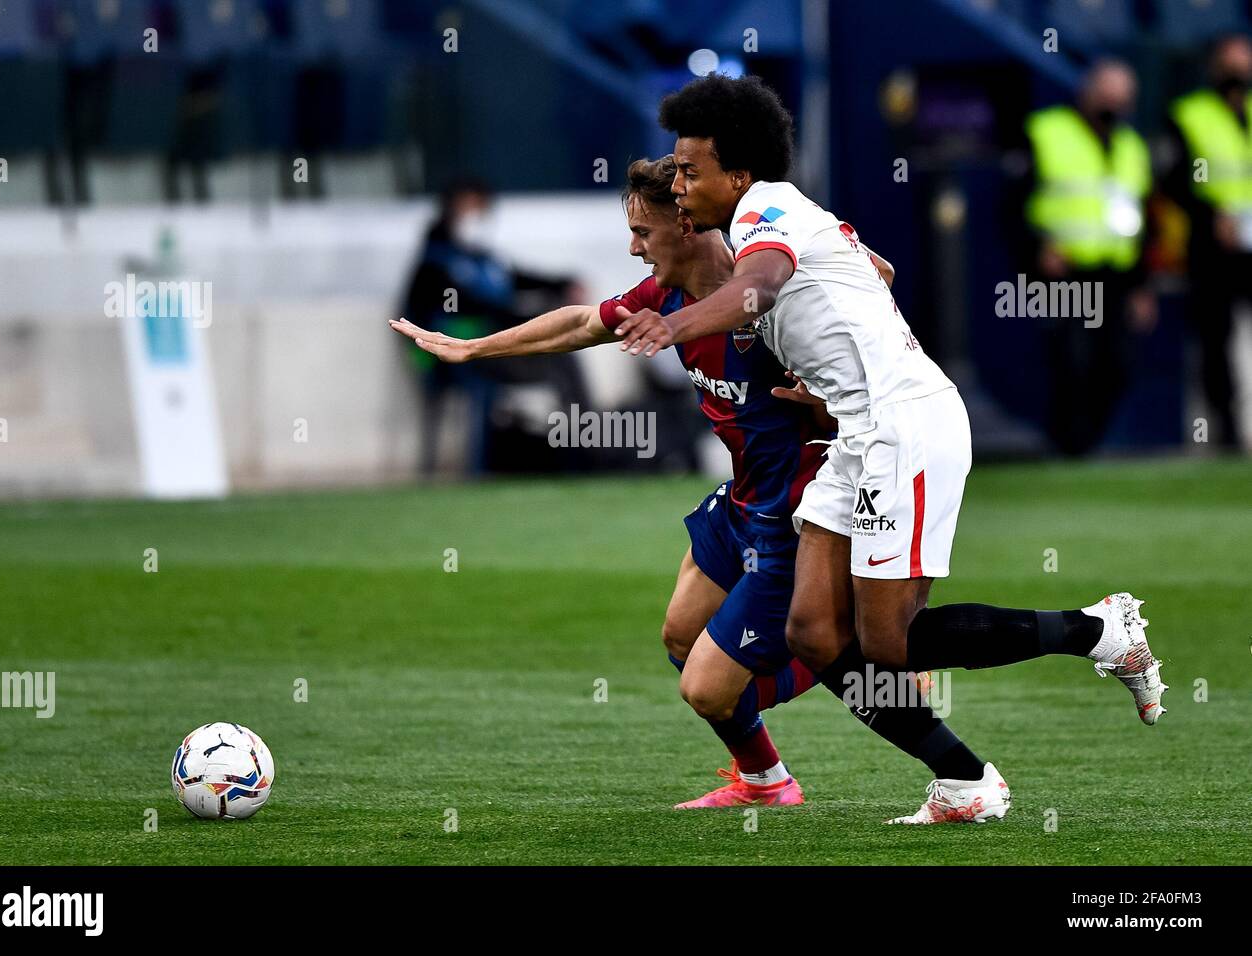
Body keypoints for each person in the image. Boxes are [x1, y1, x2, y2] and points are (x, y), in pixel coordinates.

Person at [614, 75, 1167, 824]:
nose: (676, 184)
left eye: (689, 169)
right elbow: (873, 275)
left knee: (887, 645)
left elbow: (763, 288)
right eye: (675, 169)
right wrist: (842, 375)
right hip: (858, 434)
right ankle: (965, 781)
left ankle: (1097, 630)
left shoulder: (766, 211)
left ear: (737, 174)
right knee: (812, 632)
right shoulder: (771, 219)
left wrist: (674, 327)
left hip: (906, 430)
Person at [393, 156, 998, 817]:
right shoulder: (665, 296)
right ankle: (768, 781)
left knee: (712, 687)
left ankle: (870, 666)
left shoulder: (764, 287)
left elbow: (868, 272)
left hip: (794, 509)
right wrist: (471, 349)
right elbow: (578, 323)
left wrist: (832, 393)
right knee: (681, 636)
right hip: (741, 498)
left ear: (686, 225)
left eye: (642, 230)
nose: (632, 246)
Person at [401, 177, 589, 474]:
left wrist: (564, 283)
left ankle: (582, 456)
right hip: (451, 361)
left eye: (482, 210)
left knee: (565, 359)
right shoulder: (434, 264)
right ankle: (481, 470)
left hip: (491, 352)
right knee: (549, 361)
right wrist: (526, 318)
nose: (478, 218)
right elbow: (475, 305)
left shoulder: (484, 260)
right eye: (471, 209)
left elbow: (519, 279)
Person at [1016, 59, 1156, 455]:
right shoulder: (1047, 132)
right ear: (1087, 92)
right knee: (1071, 364)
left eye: (1122, 95)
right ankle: (1068, 447)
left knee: (1119, 367)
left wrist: (1142, 284)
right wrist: (1036, 250)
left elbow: (1143, 220)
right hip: (1065, 274)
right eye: (1107, 92)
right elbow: (1011, 205)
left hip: (1116, 275)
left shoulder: (1132, 146)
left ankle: (1083, 445)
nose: (1113, 102)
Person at [1163, 34, 1252, 450]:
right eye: (1230, 64)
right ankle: (1227, 430)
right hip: (1213, 247)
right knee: (1216, 340)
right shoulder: (1190, 114)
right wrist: (1209, 215)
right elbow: (1173, 178)